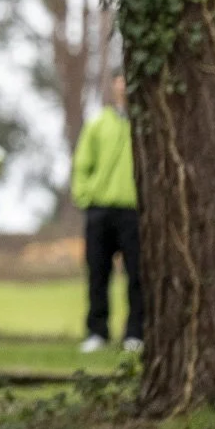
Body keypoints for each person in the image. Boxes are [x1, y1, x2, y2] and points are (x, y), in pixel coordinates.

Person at [73, 72, 142, 353]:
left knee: (137, 275)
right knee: (97, 273)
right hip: (100, 210)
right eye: (120, 79)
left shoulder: (145, 123)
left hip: (133, 211)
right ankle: (97, 331)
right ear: (114, 85)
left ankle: (135, 332)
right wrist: (86, 197)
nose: (124, 85)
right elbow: (82, 163)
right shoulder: (99, 122)